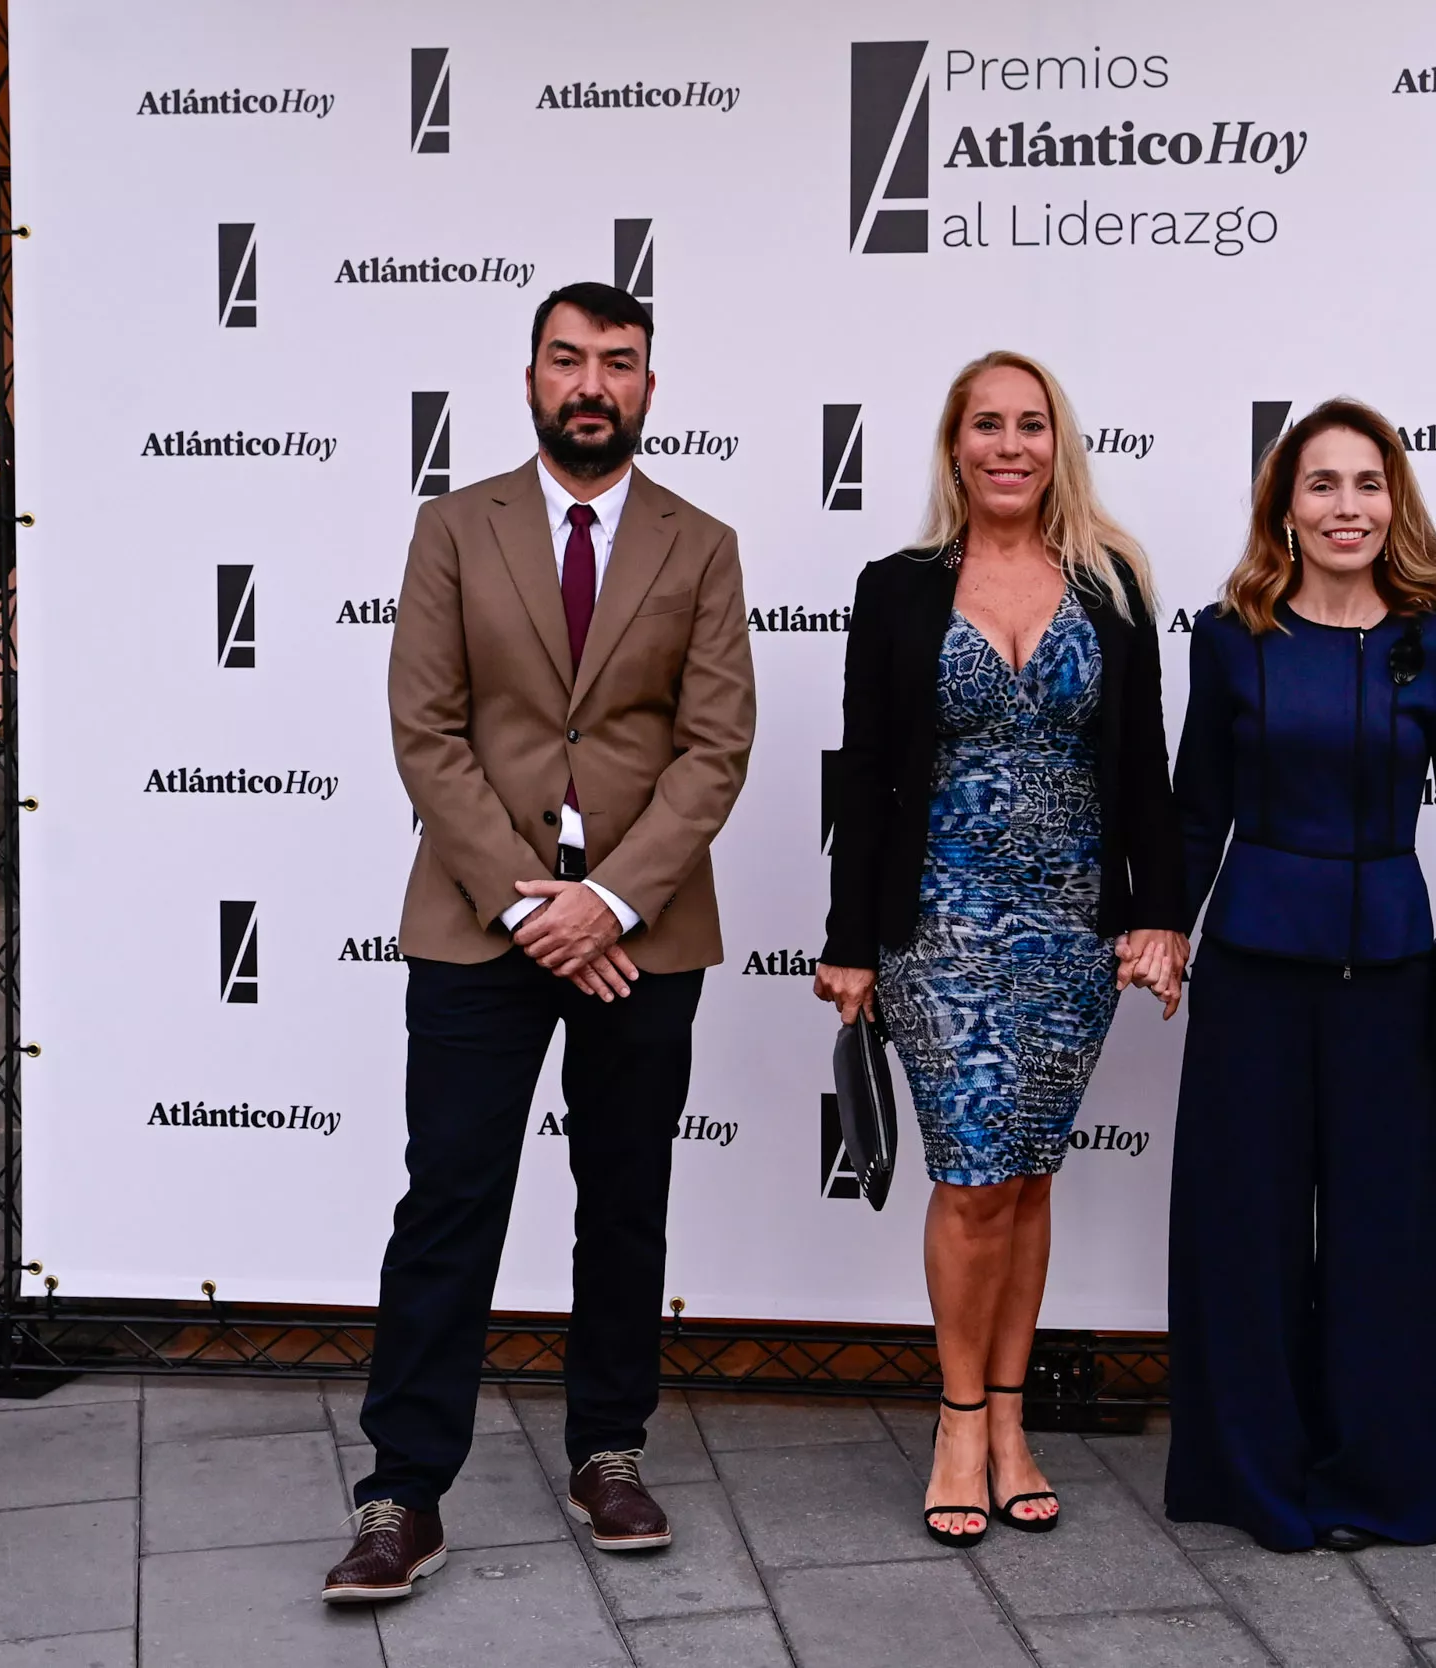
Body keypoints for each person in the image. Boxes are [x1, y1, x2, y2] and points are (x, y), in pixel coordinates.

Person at [323, 282, 755, 1603]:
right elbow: (425, 728)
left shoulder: (701, 542)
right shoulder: (455, 527)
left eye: (617, 364)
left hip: (641, 929)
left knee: (623, 1202)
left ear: (648, 389)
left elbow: (714, 743)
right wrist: (526, 903)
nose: (591, 383)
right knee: (449, 1199)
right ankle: (405, 1490)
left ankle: (608, 1452)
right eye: (567, 358)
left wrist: (608, 901)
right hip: (475, 921)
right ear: (528, 378)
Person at [815, 350, 1185, 1545]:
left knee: (1027, 1178)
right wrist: (850, 942)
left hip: (1071, 932)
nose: (1010, 445)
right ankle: (958, 1419)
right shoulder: (898, 588)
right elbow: (863, 773)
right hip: (940, 925)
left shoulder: (1113, 583)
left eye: (1032, 425)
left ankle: (1013, 1419)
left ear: (1057, 443)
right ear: (954, 446)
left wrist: (1158, 915)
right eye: (988, 425)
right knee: (971, 1179)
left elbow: (1145, 770)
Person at [1165, 398, 1436, 1554]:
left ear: (1394, 502)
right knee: (1246, 1228)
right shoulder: (1230, 638)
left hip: (1391, 981)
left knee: (1388, 1231)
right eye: (1320, 485)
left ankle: (1385, 1477)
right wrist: (1162, 926)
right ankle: (1254, 1477)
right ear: (1284, 507)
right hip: (1253, 974)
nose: (1345, 508)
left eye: (1366, 485)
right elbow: (1196, 806)